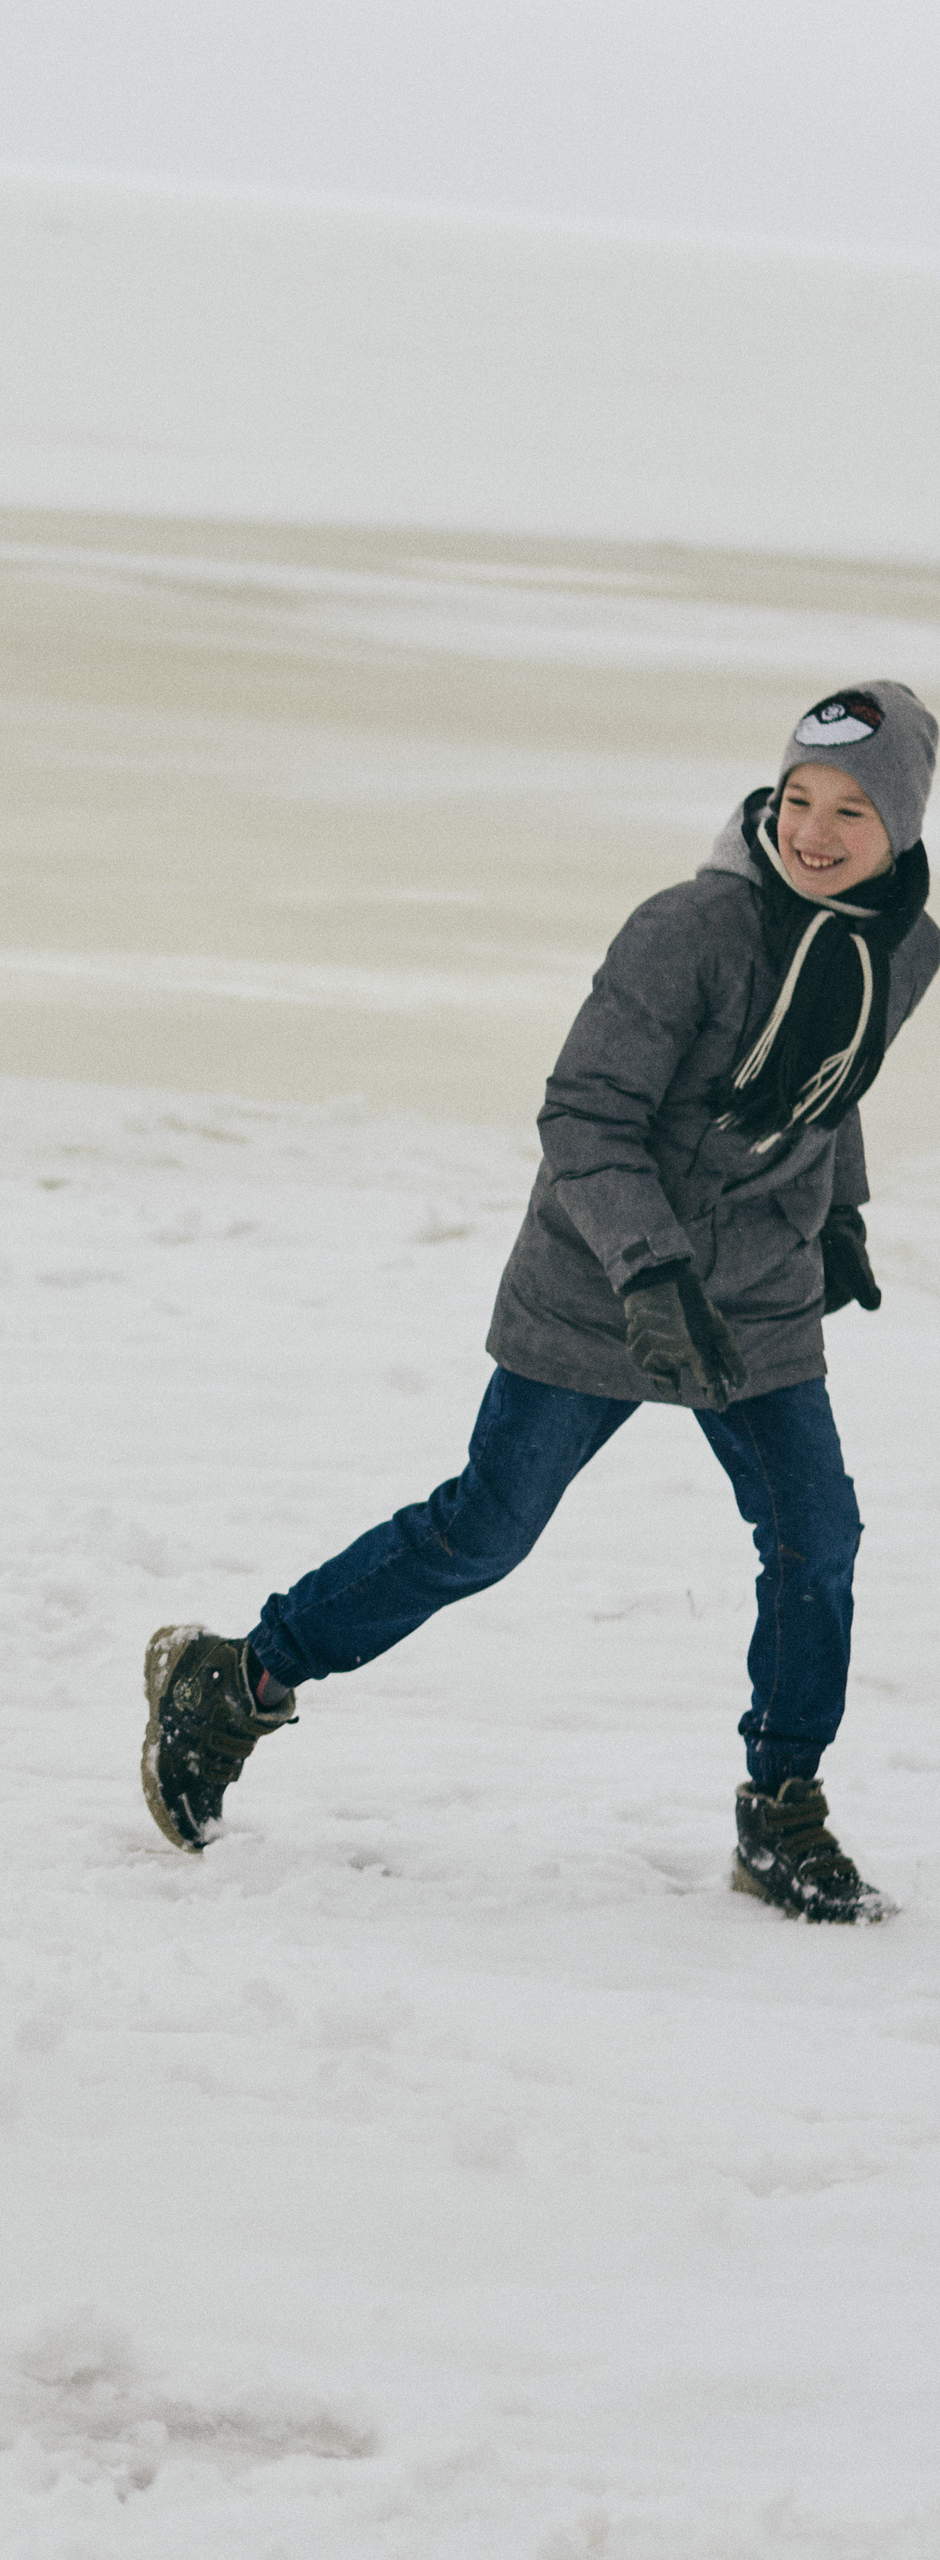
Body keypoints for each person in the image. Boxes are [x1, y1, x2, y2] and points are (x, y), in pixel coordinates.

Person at [142, 682, 937, 1920]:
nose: (814, 832)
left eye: (849, 811)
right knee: (485, 1530)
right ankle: (234, 1679)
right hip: (600, 1283)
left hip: (756, 1295)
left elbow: (831, 1084)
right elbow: (584, 1114)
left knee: (815, 1538)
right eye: (797, 799)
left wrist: (838, 1211)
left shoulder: (899, 943)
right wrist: (648, 1270)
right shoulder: (688, 930)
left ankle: (781, 1808)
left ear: (901, 827)